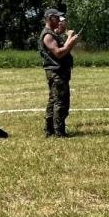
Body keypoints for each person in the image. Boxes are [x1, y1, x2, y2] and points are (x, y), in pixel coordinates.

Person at [39, 9, 81, 137]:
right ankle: (59, 132)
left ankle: (50, 130)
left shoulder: (52, 33)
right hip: (57, 73)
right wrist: (71, 41)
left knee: (54, 101)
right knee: (60, 103)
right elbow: (59, 53)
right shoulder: (48, 35)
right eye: (57, 18)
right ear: (50, 18)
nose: (59, 20)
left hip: (58, 72)